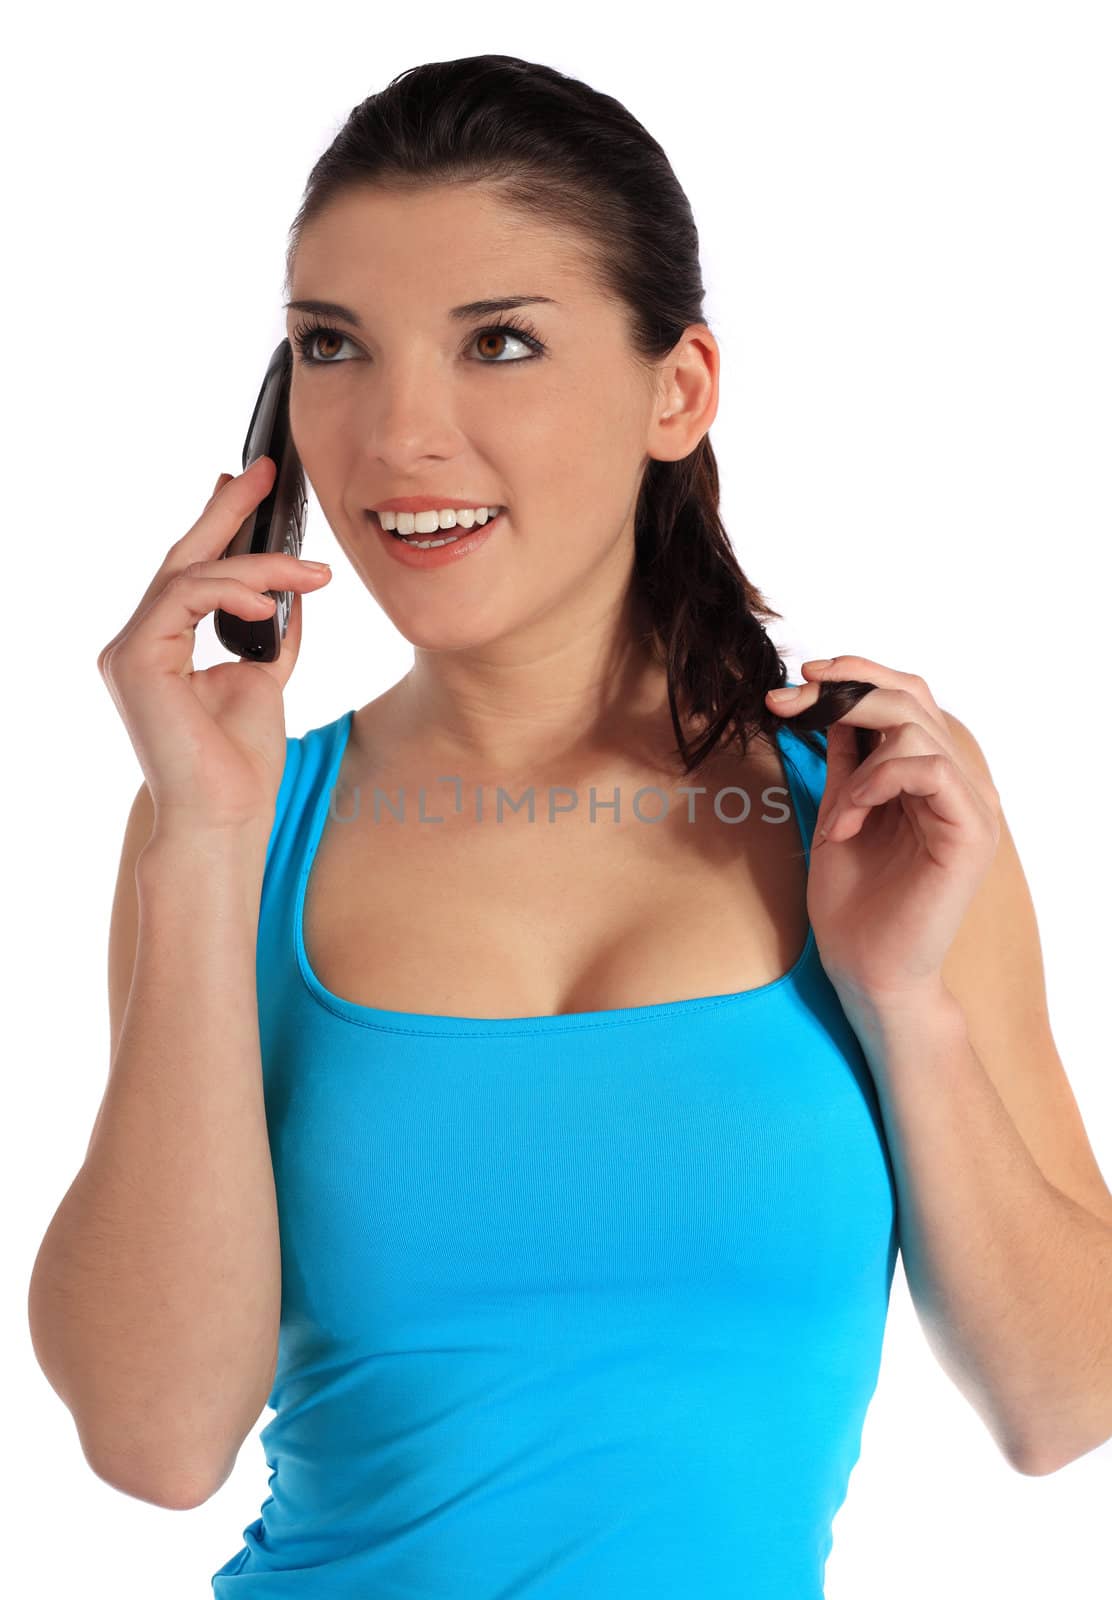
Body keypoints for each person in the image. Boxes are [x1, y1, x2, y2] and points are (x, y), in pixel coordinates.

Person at [29, 54, 886, 1598]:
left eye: (498, 342)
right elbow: (154, 1443)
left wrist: (921, 1012)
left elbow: (1059, 1404)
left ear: (676, 390)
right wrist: (205, 842)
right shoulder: (238, 828)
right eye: (334, 347)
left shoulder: (866, 817)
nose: (396, 436)